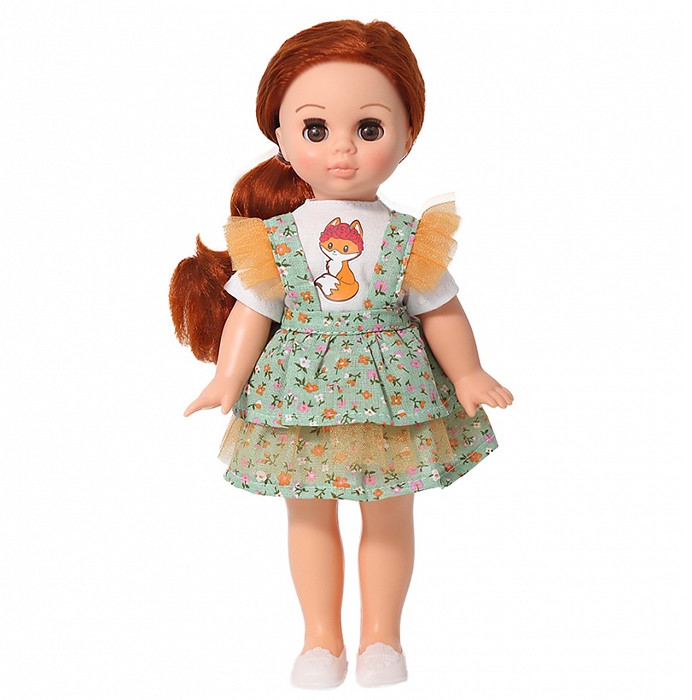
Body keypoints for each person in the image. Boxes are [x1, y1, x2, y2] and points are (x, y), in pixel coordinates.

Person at [170, 19, 513, 689]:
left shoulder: (413, 238)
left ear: (408, 135)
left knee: (389, 512)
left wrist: (468, 372)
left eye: (370, 128)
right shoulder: (272, 239)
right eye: (316, 128)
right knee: (308, 513)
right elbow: (254, 312)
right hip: (299, 392)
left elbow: (441, 310)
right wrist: (226, 377)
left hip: (393, 393)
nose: (344, 150)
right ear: (279, 135)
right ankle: (320, 640)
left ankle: (382, 637)